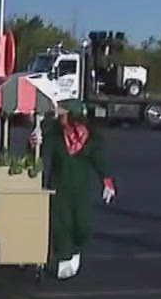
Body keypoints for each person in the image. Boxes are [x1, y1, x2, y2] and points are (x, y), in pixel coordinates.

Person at [33, 100, 116, 279]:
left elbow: (99, 161)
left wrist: (107, 181)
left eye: (62, 113)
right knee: (61, 225)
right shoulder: (54, 135)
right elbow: (40, 155)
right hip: (58, 187)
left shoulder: (92, 139)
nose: (59, 116)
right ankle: (64, 258)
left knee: (83, 225)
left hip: (80, 189)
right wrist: (35, 144)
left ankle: (76, 251)